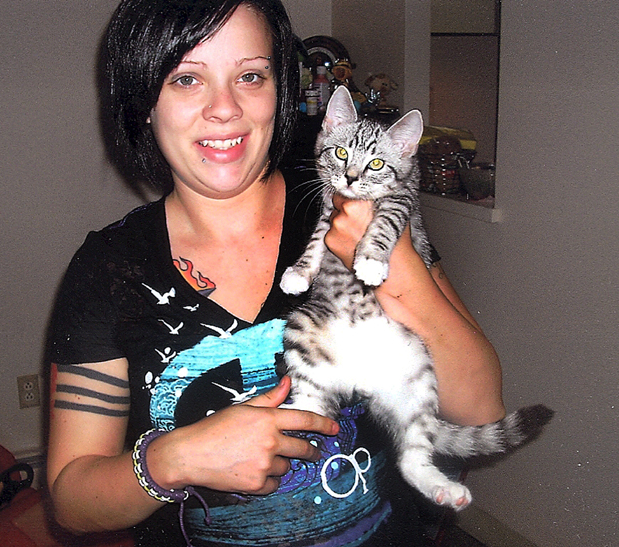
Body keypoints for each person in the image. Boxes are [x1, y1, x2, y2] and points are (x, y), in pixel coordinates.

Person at [46, 0, 505, 545]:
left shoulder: (357, 205)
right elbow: (72, 501)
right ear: (144, 101)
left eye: (250, 75)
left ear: (279, 90)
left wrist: (398, 265)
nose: (225, 108)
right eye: (187, 79)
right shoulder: (106, 271)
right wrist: (174, 459)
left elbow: (480, 409)